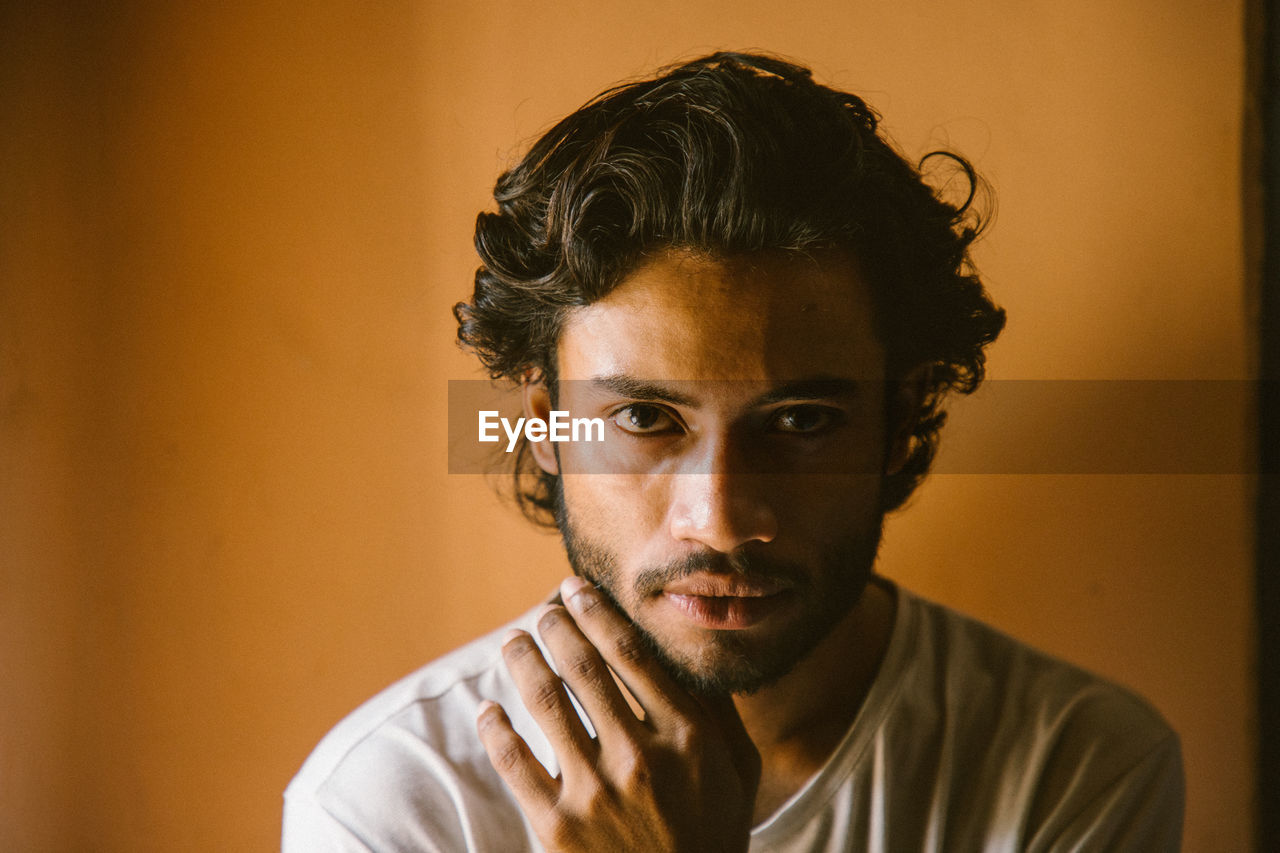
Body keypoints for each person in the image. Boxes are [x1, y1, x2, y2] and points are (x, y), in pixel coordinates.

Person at [283, 52, 1183, 851]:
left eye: (799, 422)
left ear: (900, 424)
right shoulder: (392, 804)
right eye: (643, 418)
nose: (720, 517)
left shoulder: (1073, 764)